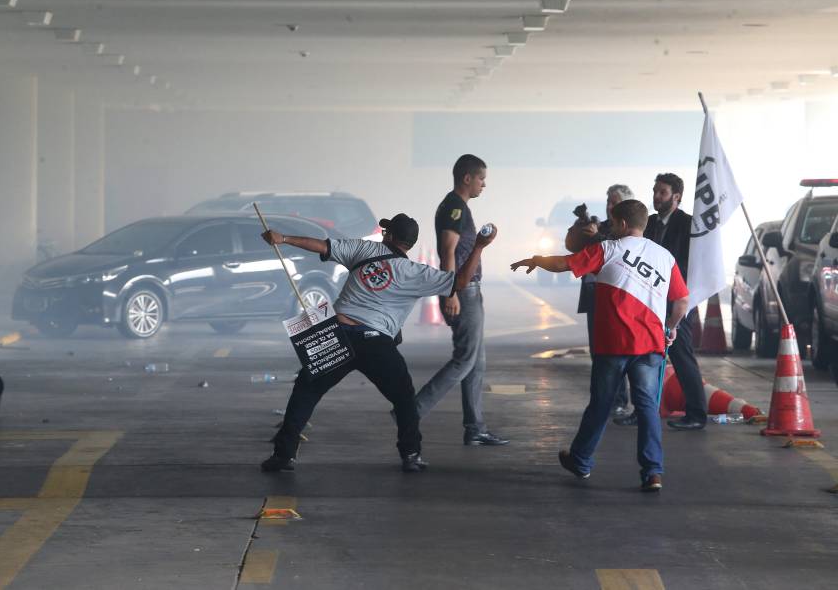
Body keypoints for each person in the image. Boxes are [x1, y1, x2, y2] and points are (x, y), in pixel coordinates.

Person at [260, 213, 496, 473]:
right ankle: (411, 455)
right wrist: (479, 246)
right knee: (404, 398)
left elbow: (321, 245)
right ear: (409, 244)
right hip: (376, 343)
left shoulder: (364, 249)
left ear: (390, 236)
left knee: (307, 389)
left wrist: (283, 238)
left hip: (338, 334)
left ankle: (284, 455)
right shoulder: (416, 272)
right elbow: (461, 282)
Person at [510, 199, 690, 492]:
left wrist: (536, 259)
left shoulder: (609, 249)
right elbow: (682, 300)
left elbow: (565, 263)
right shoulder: (665, 257)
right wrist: (671, 327)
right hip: (650, 346)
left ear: (620, 224)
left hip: (613, 345)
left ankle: (581, 460)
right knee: (647, 408)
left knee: (601, 404)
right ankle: (653, 473)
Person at [413, 154, 509, 446]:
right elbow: (448, 251)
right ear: (467, 178)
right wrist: (450, 292)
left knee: (476, 363)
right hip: (462, 291)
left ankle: (475, 428)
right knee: (464, 360)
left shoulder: (458, 207)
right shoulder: (454, 207)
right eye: (481, 179)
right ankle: (410, 413)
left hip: (468, 288)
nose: (484, 185)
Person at [565, 184, 636, 420]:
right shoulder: (602, 226)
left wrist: (596, 236)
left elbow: (618, 253)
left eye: (614, 202)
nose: (610, 206)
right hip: (595, 294)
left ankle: (618, 401)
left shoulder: (627, 232)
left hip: (619, 298)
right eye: (608, 201)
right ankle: (602, 400)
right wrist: (580, 228)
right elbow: (572, 247)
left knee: (617, 352)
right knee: (598, 352)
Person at [645, 173, 708, 431]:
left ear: (676, 197)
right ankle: (643, 412)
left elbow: (692, 264)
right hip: (649, 299)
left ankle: (696, 414)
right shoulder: (648, 223)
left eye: (662, 192)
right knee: (645, 357)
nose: (656, 196)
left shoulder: (688, 224)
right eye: (655, 191)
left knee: (681, 355)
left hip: (677, 299)